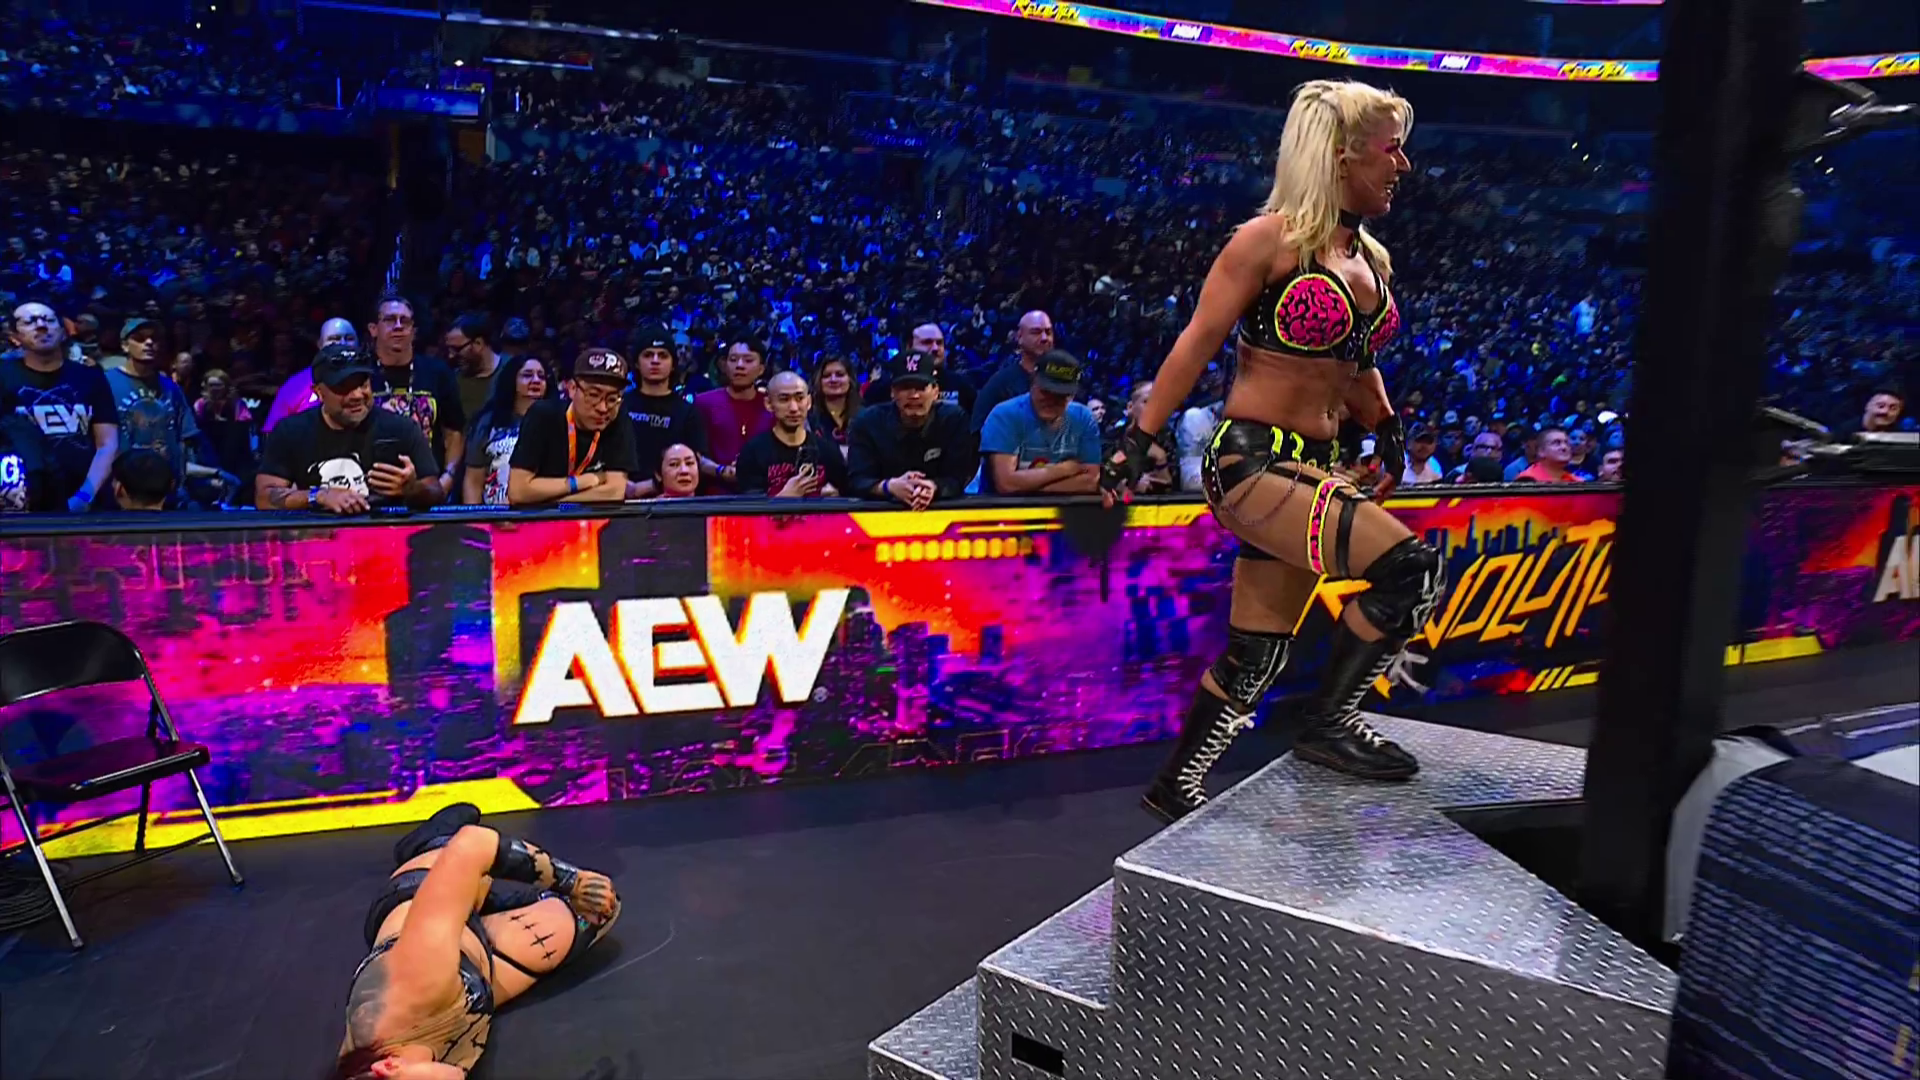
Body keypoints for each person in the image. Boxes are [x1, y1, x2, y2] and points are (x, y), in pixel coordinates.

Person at [1102, 79, 1442, 823]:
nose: (1402, 166)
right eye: (1391, 150)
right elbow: (1197, 341)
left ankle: (1174, 784)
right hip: (1252, 463)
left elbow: (1356, 360)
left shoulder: (1370, 257)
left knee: (1258, 649)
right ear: (1343, 154)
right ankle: (1328, 722)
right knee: (1409, 569)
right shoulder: (1267, 240)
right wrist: (1137, 439)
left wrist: (1385, 426)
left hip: (1313, 465)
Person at [334, 804, 619, 1080]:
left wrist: (573, 881)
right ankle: (488, 902)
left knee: (590, 895)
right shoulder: (411, 1065)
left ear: (388, 1067)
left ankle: (430, 844)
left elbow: (472, 845)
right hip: (471, 973)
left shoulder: (412, 987)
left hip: (416, 906)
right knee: (597, 913)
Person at [255, 344, 445, 514]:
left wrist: (413, 490)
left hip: (386, 535)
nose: (357, 395)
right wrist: (319, 496)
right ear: (319, 393)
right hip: (318, 538)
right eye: (343, 387)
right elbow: (264, 497)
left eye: (363, 384)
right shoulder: (291, 431)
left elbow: (436, 492)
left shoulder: (402, 429)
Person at [1, 301, 118, 512]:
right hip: (20, 502)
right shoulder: (3, 376)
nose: (41, 326)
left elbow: (107, 443)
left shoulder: (90, 377)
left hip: (86, 501)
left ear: (63, 332)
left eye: (48, 320)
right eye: (29, 321)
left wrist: (85, 496)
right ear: (15, 337)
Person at [103, 318, 225, 507]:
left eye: (154, 338)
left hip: (166, 490)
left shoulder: (171, 388)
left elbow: (185, 438)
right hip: (124, 489)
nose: (149, 343)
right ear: (125, 346)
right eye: (140, 338)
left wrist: (181, 481)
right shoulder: (106, 383)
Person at [847, 349, 977, 508]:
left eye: (921, 388)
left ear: (935, 392)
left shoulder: (954, 420)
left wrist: (933, 487)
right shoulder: (867, 422)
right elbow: (857, 480)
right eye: (906, 387)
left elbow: (958, 477)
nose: (914, 395)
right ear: (893, 392)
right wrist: (889, 487)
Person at [507, 347, 637, 507]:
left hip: (588, 520)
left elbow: (613, 493)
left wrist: (549, 503)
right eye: (593, 395)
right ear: (572, 389)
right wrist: (584, 481)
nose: (603, 408)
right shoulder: (543, 415)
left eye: (612, 398)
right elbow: (518, 492)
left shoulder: (618, 419)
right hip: (540, 521)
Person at [367, 295, 464, 501]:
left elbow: (454, 433)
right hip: (371, 492)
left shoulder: (437, 372)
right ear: (373, 329)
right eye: (390, 320)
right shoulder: (362, 374)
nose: (398, 326)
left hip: (427, 492)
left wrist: (446, 480)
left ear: (413, 331)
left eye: (405, 321)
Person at [980, 349, 1103, 495]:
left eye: (1060, 395)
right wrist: (1066, 469)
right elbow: (1007, 484)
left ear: (1071, 396)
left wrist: (1035, 490)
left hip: (1064, 508)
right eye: (1045, 391)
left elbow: (1090, 481)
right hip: (1004, 508)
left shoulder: (1084, 418)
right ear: (1033, 383)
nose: (1051, 400)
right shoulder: (1005, 415)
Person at [622, 323, 709, 498]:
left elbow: (694, 462)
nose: (655, 361)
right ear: (637, 363)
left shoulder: (688, 412)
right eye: (648, 355)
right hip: (619, 499)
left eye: (663, 355)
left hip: (670, 501)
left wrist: (649, 487)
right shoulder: (619, 405)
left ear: (673, 364)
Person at [736, 371, 848, 498]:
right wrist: (785, 498)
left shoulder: (829, 451)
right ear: (768, 404)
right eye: (784, 399)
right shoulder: (752, 453)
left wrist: (834, 498)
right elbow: (750, 508)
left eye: (800, 398)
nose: (794, 408)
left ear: (809, 402)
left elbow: (847, 497)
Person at [461, 355, 553, 506]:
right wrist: (474, 517)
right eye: (527, 375)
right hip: (494, 515)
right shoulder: (489, 422)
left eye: (541, 376)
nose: (536, 380)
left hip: (541, 514)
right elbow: (473, 481)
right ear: (512, 381)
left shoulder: (557, 421)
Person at [692, 338, 772, 491]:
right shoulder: (704, 402)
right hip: (714, 495)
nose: (739, 365)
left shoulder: (771, 405)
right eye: (733, 360)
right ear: (724, 365)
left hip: (763, 495)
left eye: (748, 360)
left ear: (761, 369)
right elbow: (693, 454)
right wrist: (721, 471)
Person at [263, 317, 357, 434]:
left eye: (349, 339)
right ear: (320, 344)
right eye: (334, 339)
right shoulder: (295, 385)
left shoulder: (371, 380)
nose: (342, 344)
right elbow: (272, 433)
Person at [970, 311, 1056, 432]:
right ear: (1019, 337)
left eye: (1048, 332)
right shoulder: (1000, 383)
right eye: (1036, 332)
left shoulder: (1067, 377)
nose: (1044, 338)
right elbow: (978, 429)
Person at [443, 314, 502, 427]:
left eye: (457, 349)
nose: (451, 356)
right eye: (449, 350)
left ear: (478, 343)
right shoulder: (452, 381)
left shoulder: (512, 372)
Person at [808, 354, 859, 455]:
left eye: (840, 375)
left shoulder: (865, 416)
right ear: (818, 381)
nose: (833, 380)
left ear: (850, 379)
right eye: (827, 376)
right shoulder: (808, 418)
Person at [1515, 428, 1579, 483]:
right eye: (1556, 443)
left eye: (1567, 443)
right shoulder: (1527, 479)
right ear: (1541, 451)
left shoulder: (1575, 480)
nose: (1564, 447)